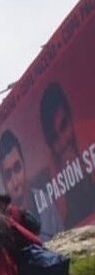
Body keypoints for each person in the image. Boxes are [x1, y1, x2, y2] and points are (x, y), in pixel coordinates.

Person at [38, 82, 95, 227]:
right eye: (55, 138)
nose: (63, 142)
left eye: (64, 126)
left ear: (71, 117)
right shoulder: (55, 172)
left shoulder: (90, 133)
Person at [0, 130, 59, 238]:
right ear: (3, 182)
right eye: (8, 175)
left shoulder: (43, 199)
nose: (15, 182)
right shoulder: (7, 225)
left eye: (17, 168)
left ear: (24, 165)